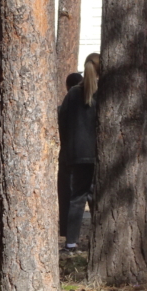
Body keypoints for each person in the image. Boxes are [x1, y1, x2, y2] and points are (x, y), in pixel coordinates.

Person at [59, 53, 100, 253]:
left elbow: (62, 122)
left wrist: (68, 149)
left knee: (77, 198)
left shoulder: (73, 94)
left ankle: (71, 243)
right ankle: (101, 241)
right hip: (97, 154)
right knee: (96, 197)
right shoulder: (104, 94)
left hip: (76, 154)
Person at [57, 71, 83, 238]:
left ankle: (66, 232)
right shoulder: (90, 104)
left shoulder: (64, 106)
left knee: (66, 194)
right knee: (83, 195)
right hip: (86, 156)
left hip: (67, 154)